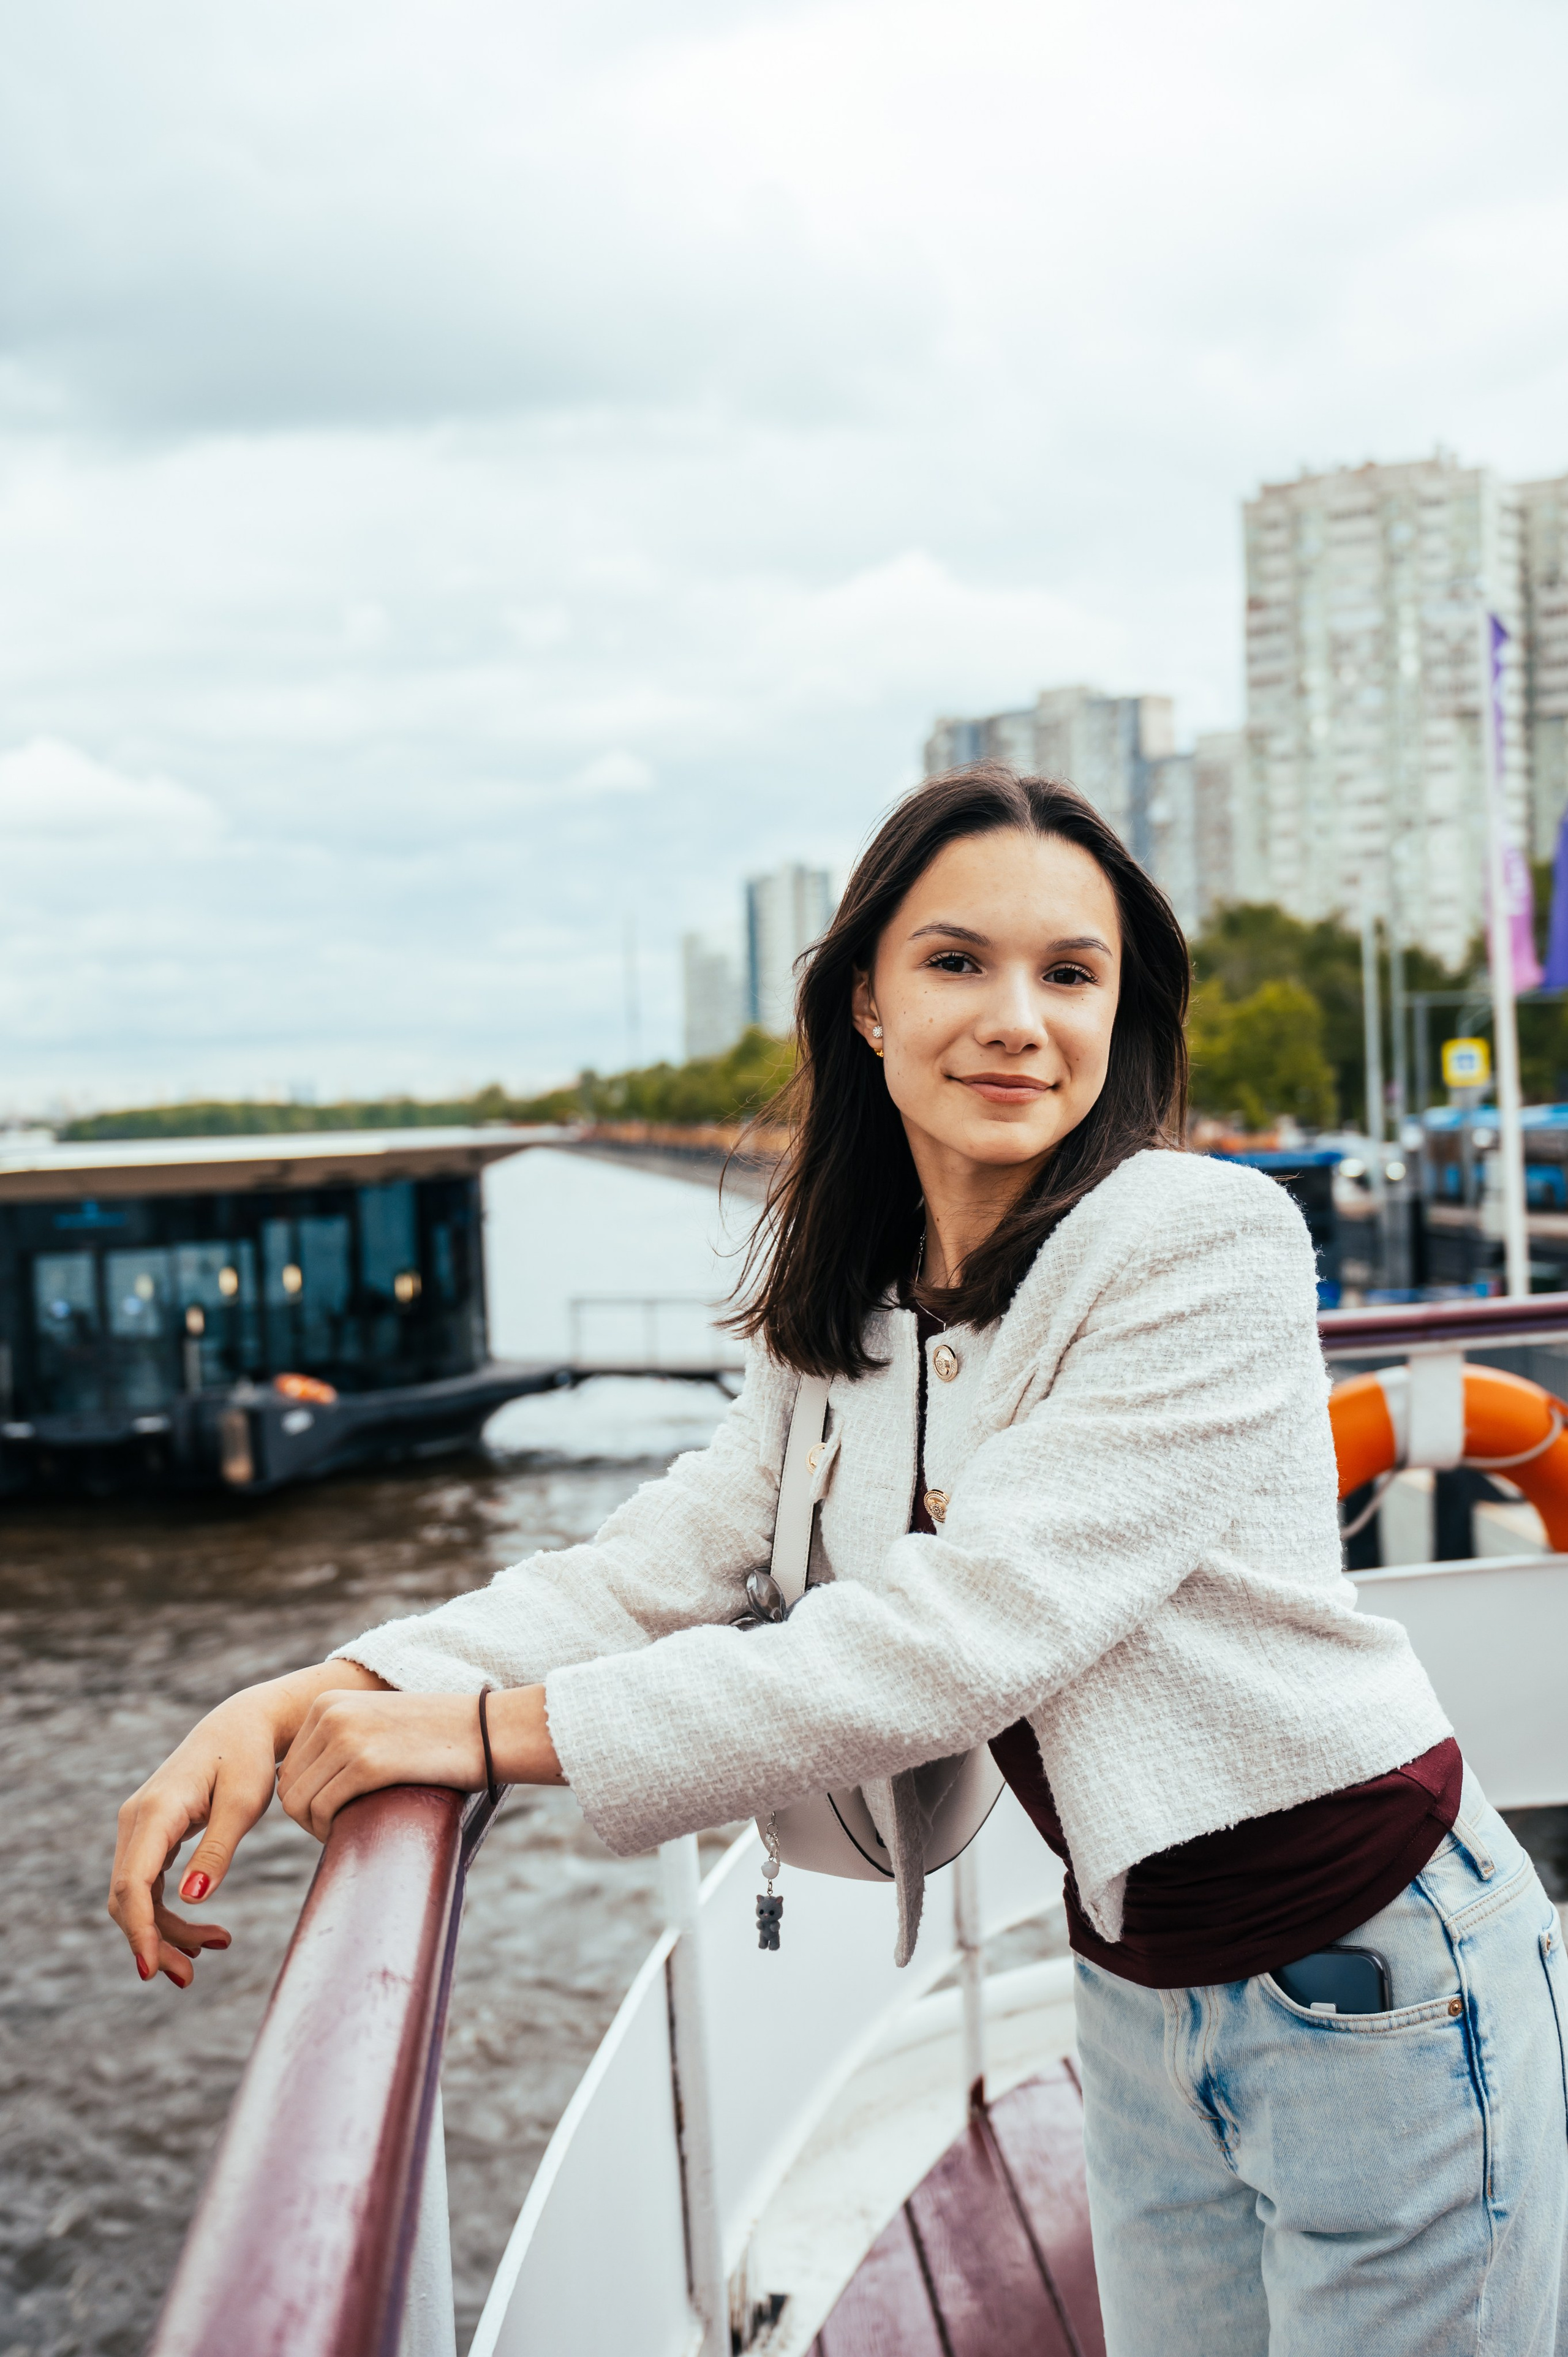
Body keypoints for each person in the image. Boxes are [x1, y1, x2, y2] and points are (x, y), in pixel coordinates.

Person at [110, 765, 1567, 2353]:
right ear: (864, 1000)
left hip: (1378, 1973)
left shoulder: (1198, 1244)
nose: (1018, 1017)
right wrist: (332, 1684)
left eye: (1069, 973)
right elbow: (665, 1556)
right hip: (1137, 1980)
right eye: (957, 962)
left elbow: (956, 1636)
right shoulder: (867, 1302)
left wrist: (472, 1739)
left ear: (1120, 1012)